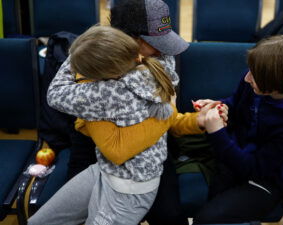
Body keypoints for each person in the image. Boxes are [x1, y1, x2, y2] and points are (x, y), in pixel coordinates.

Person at [28, 25, 226, 225]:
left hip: (129, 188)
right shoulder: (155, 68)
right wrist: (193, 119)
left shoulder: (103, 93)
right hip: (105, 170)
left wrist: (78, 55)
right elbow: (161, 121)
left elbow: (56, 95)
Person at [52, 0, 196, 224]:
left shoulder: (161, 57)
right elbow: (56, 95)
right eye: (153, 41)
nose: (162, 48)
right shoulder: (96, 50)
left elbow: (118, 148)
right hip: (93, 151)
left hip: (149, 150)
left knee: (169, 215)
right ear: (127, 39)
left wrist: (90, 107)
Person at [192, 35, 283, 224]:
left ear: (282, 85)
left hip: (267, 179)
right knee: (210, 206)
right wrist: (219, 106)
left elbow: (254, 168)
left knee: (207, 219)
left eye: (254, 75)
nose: (247, 77)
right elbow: (236, 103)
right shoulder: (258, 80)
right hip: (237, 155)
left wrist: (217, 133)